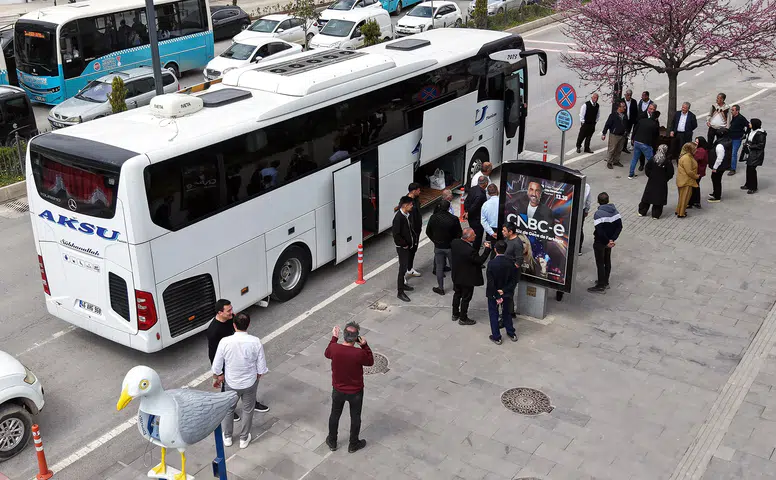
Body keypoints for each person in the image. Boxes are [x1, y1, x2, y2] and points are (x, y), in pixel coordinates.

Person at [212, 313, 268, 449]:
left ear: (234, 325)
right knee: (248, 409)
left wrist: (218, 376)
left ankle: (228, 437)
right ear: (248, 325)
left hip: (231, 382)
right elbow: (261, 367)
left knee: (229, 409)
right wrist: (258, 375)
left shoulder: (225, 342)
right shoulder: (255, 341)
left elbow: (216, 366)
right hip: (250, 382)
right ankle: (244, 438)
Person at [324, 322, 373, 454]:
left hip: (338, 390)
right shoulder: (359, 353)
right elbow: (370, 361)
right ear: (356, 338)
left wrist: (334, 337)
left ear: (343, 336)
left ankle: (332, 441)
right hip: (356, 391)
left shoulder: (335, 348)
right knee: (355, 417)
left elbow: (327, 353)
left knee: (335, 414)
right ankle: (353, 444)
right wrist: (365, 345)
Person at [206, 299, 242, 421]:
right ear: (220, 312)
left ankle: (252, 402)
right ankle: (226, 409)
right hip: (226, 363)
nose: (232, 312)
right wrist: (219, 373)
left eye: (231, 308)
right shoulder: (213, 330)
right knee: (226, 387)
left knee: (244, 383)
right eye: (229, 310)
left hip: (235, 358)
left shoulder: (231, 318)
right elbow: (213, 354)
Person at [450, 228, 491, 325]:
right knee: (466, 298)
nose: (476, 236)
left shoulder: (455, 243)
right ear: (468, 238)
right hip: (467, 278)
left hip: (456, 275)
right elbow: (480, 261)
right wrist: (487, 249)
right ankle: (463, 318)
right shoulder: (470, 251)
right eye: (473, 235)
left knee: (457, 294)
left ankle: (455, 313)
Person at [426, 200, 463, 295]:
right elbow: (459, 233)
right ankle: (456, 286)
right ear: (448, 207)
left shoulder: (433, 218)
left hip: (438, 246)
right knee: (454, 267)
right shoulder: (453, 219)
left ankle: (441, 288)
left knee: (439, 267)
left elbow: (428, 231)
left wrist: (435, 241)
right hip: (450, 247)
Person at [486, 241, 519, 345]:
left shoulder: (491, 263)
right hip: (507, 293)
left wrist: (496, 294)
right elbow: (514, 281)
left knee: (493, 314)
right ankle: (511, 333)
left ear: (495, 250)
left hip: (493, 294)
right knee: (507, 313)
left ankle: (497, 337)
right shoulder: (511, 263)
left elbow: (490, 282)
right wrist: (504, 290)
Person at [588, 192, 622, 294]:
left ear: (598, 201)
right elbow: (619, 227)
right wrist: (612, 239)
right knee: (607, 260)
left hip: (600, 242)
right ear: (608, 200)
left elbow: (599, 231)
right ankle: (605, 281)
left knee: (600, 263)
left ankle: (600, 285)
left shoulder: (598, 214)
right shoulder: (615, 212)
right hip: (610, 242)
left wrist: (606, 241)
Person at [638, 144, 674, 219]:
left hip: (652, 181)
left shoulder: (653, 159)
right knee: (659, 199)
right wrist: (665, 179)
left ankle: (642, 211)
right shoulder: (667, 161)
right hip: (662, 183)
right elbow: (670, 173)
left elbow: (647, 169)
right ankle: (656, 214)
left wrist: (651, 176)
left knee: (647, 197)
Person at [392, 196, 415, 302]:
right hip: (403, 248)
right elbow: (396, 235)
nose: (412, 206)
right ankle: (400, 292)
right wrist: (405, 244)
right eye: (411, 204)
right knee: (402, 269)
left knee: (404, 267)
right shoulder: (398, 218)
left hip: (408, 246)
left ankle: (403, 286)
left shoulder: (406, 215)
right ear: (405, 205)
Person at [629, 103, 660, 179]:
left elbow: (635, 130)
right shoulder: (654, 124)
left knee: (635, 158)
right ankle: (654, 174)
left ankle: (631, 174)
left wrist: (633, 139)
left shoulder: (642, 120)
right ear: (656, 118)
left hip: (637, 141)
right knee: (651, 159)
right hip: (645, 143)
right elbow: (655, 136)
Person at [502, 222, 523, 318]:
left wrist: (510, 271)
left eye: (504, 230)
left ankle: (507, 314)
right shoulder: (507, 239)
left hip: (511, 274)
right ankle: (510, 312)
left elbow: (519, 260)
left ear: (510, 232)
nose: (503, 232)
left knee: (507, 294)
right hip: (505, 271)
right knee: (507, 294)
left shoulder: (517, 243)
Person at [740, 118, 766, 194]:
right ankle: (748, 184)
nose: (749, 124)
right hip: (751, 153)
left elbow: (761, 145)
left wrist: (750, 146)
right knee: (748, 169)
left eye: (750, 123)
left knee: (752, 170)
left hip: (756, 154)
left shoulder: (760, 134)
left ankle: (753, 187)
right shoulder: (752, 131)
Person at [464, 176, 489, 252]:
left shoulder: (473, 189)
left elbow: (466, 201)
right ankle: (475, 251)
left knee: (473, 231)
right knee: (478, 235)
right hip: (477, 218)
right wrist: (468, 212)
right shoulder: (481, 194)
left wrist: (466, 211)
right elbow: (474, 206)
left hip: (471, 218)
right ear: (486, 183)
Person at [601, 100, 628, 169]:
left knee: (619, 149)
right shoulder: (613, 115)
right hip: (614, 135)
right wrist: (604, 133)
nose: (624, 108)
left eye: (625, 106)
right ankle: (609, 162)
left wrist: (626, 132)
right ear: (619, 107)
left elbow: (626, 124)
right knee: (612, 149)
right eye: (623, 107)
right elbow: (607, 125)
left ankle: (616, 161)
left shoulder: (625, 115)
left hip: (622, 135)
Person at [675, 142, 699, 218]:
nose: (696, 150)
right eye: (695, 149)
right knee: (685, 197)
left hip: (682, 180)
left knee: (682, 197)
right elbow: (689, 171)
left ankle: (678, 210)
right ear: (690, 149)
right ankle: (681, 213)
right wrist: (696, 176)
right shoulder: (687, 158)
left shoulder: (685, 156)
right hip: (686, 181)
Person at [708, 128, 732, 203]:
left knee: (716, 180)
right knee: (716, 179)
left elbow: (719, 158)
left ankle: (717, 196)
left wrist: (715, 167)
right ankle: (715, 193)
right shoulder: (727, 141)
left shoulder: (720, 145)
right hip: (724, 165)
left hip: (719, 166)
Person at [406, 183, 422, 278]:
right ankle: (403, 275)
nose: (420, 191)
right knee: (407, 252)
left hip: (416, 230)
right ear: (413, 191)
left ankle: (410, 268)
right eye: (418, 190)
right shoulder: (407, 202)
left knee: (413, 250)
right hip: (410, 232)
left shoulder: (416, 199)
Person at [728, 105, 748, 176]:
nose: (731, 111)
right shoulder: (732, 117)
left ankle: (733, 169)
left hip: (737, 138)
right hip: (730, 137)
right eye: (731, 110)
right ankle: (729, 165)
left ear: (737, 111)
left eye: (733, 110)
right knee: (729, 152)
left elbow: (748, 125)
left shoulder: (741, 118)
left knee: (734, 153)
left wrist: (745, 134)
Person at [688, 137, 709, 209]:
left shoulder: (701, 151)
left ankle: (693, 202)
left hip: (698, 171)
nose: (695, 143)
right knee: (696, 186)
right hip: (699, 171)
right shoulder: (702, 149)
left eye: (697, 142)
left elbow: (696, 159)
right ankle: (695, 201)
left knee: (694, 186)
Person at [620, 89, 639, 153]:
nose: (629, 96)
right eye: (628, 95)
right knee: (621, 133)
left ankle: (624, 147)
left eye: (630, 95)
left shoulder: (634, 102)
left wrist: (635, 120)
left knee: (627, 134)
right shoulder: (621, 101)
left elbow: (635, 111)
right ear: (625, 95)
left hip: (630, 121)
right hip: (623, 120)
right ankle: (620, 146)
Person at [580, 182, 592, 255]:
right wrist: (587, 210)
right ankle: (579, 249)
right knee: (579, 229)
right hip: (582, 209)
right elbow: (588, 201)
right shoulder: (586, 186)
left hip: (570, 209)